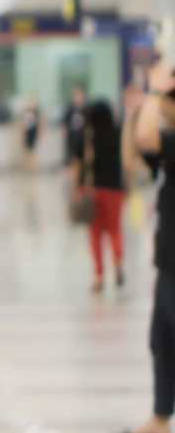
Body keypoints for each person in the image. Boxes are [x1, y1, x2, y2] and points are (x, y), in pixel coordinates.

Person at [119, 63, 175, 433]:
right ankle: (159, 418)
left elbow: (147, 139)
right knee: (162, 339)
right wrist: (131, 112)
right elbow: (133, 158)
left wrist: (154, 93)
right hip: (168, 259)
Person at [81, 99, 128, 293]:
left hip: (95, 190)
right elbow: (125, 160)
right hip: (115, 189)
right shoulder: (118, 134)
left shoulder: (91, 137)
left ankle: (99, 276)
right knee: (115, 230)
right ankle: (117, 263)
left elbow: (88, 163)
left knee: (96, 235)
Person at [65, 85, 90, 168]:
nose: (77, 98)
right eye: (75, 96)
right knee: (73, 160)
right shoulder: (70, 109)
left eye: (79, 96)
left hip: (83, 139)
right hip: (72, 139)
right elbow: (65, 123)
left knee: (83, 160)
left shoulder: (86, 109)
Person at [21, 96, 43, 173]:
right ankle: (27, 167)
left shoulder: (36, 113)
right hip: (27, 133)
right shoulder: (25, 112)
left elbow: (40, 122)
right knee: (27, 151)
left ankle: (32, 167)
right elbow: (22, 124)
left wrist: (40, 132)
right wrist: (22, 134)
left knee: (33, 150)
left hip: (34, 133)